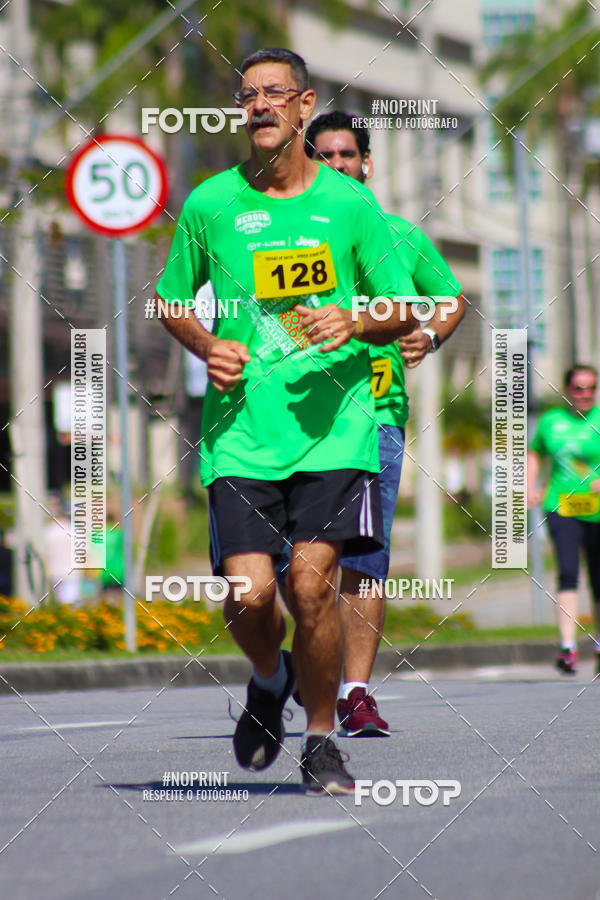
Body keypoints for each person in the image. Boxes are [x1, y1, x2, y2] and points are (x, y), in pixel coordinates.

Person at [155, 48, 417, 794]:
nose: (260, 106)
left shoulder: (349, 206)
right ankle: (269, 679)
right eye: (248, 96)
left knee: (311, 587)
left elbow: (403, 307)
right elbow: (173, 300)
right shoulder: (211, 204)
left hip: (336, 430)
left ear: (305, 107)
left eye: (275, 94)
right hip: (240, 434)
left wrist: (354, 319)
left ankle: (322, 740)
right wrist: (207, 344)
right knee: (249, 594)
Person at [297, 110, 466, 735]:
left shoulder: (399, 234)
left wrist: (429, 335)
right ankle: (307, 664)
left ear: (366, 163)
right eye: (325, 156)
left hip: (377, 412)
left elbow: (451, 297)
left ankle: (357, 692)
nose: (337, 164)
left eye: (347, 155)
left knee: (366, 557)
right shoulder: (292, 233)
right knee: (306, 565)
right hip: (302, 416)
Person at [528, 364, 600, 676]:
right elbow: (535, 453)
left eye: (590, 389)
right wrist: (530, 485)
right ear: (567, 391)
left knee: (598, 579)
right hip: (562, 507)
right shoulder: (551, 421)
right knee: (568, 571)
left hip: (598, 509)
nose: (584, 395)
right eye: (578, 389)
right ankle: (568, 647)